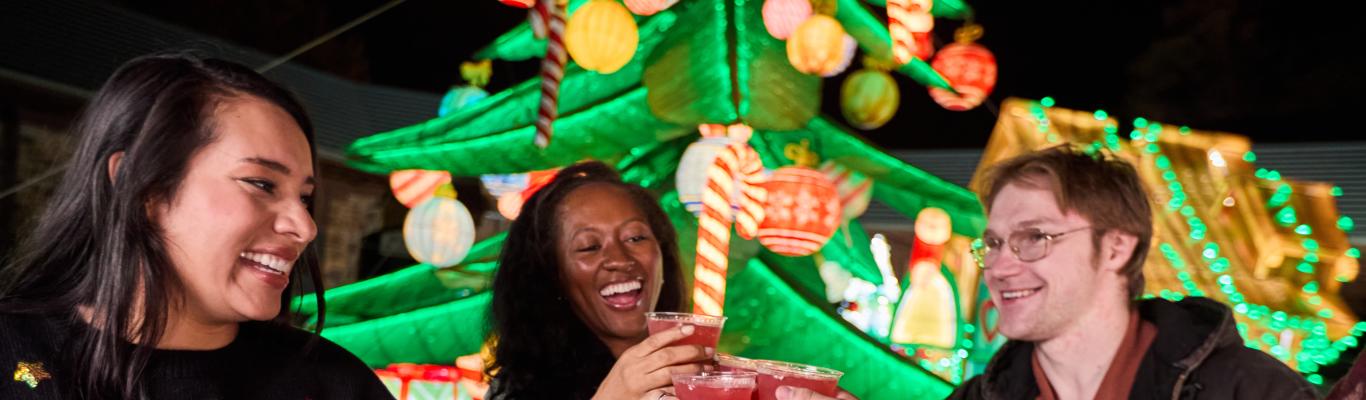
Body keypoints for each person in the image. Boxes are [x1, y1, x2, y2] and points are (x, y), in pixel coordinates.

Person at [0, 53, 392, 399]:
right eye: (261, 184)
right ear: (142, 186)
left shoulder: (336, 386)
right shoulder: (14, 355)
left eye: (304, 197)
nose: (305, 227)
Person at [943, 145, 1316, 399]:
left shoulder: (1249, 389)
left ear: (1115, 249)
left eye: (1035, 237)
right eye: (993, 244)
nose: (1000, 267)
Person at [485, 161, 718, 399]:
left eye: (635, 238)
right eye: (589, 246)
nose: (619, 259)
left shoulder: (696, 377)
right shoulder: (519, 391)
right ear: (553, 275)